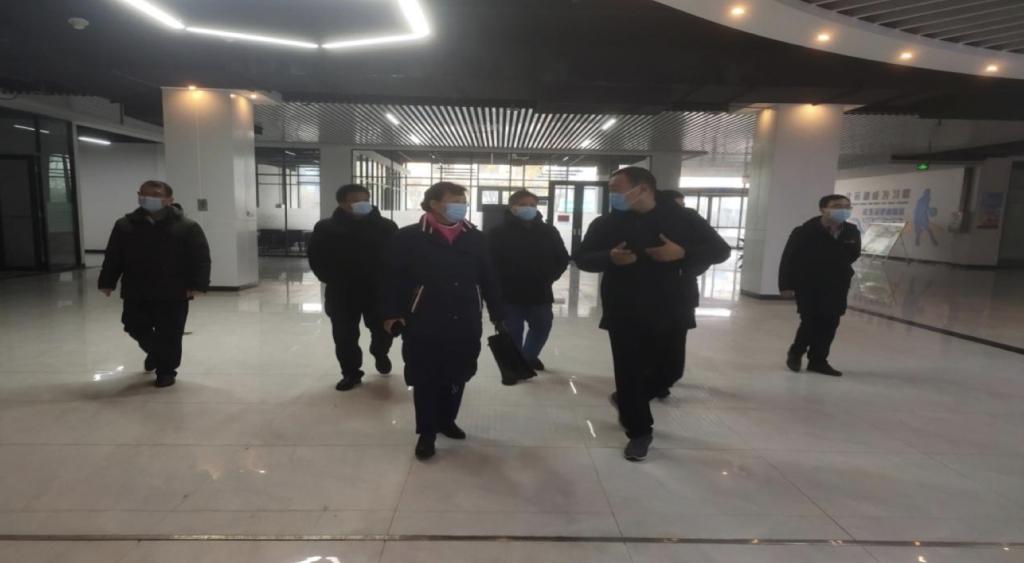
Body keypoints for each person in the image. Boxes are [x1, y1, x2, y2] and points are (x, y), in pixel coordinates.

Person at [575, 167, 731, 462]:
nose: (613, 195)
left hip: (672, 305)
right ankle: (639, 432)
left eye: (617, 189)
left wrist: (682, 253)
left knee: (671, 370)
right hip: (624, 307)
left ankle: (628, 399)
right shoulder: (606, 223)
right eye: (611, 190)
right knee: (629, 372)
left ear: (643, 189)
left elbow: (720, 250)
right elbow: (582, 257)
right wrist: (609, 257)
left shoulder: (684, 218)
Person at [381, 182, 504, 460]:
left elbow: (490, 277)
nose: (460, 205)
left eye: (462, 200)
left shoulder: (476, 238)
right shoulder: (409, 237)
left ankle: (447, 420)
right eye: (453, 200)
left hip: (465, 317)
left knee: (459, 372)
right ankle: (427, 432)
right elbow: (391, 278)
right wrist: (390, 313)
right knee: (425, 376)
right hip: (424, 318)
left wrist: (498, 311)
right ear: (434, 203)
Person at [98, 180, 211, 388]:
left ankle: (166, 371)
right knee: (133, 324)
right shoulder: (124, 225)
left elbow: (200, 258)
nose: (149, 198)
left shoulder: (187, 226)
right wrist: (107, 281)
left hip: (174, 289)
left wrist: (198, 284)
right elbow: (114, 256)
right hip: (136, 288)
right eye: (144, 194)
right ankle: (157, 353)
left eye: (156, 195)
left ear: (169, 200)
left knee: (171, 332)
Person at [308, 184, 398, 391]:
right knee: (344, 335)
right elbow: (316, 257)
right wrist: (332, 278)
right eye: (355, 200)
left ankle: (380, 352)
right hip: (342, 291)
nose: (362, 204)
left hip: (377, 290)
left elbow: (397, 258)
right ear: (342, 203)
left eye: (365, 199)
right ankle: (351, 373)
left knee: (383, 331)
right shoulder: (326, 228)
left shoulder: (386, 227)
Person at [779, 194, 862, 377]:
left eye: (847, 206)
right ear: (823, 209)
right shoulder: (804, 231)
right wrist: (785, 285)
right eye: (837, 206)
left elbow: (854, 254)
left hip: (837, 283)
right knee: (810, 321)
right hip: (808, 283)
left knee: (831, 322)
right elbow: (789, 259)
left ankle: (818, 360)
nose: (843, 210)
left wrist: (837, 266)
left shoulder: (851, 231)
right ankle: (796, 352)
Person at [487, 190, 569, 371]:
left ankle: (528, 357)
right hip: (509, 294)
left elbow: (562, 258)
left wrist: (549, 277)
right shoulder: (496, 233)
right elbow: (488, 264)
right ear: (512, 207)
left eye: (532, 205)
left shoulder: (548, 231)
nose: (528, 208)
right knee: (513, 332)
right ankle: (516, 365)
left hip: (540, 292)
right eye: (523, 205)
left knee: (542, 327)